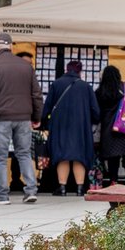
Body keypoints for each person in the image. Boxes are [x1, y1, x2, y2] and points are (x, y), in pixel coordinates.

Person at [0, 32, 43, 204]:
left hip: (1, 117)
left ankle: (1, 194)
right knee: (24, 153)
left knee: (0, 156)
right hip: (23, 117)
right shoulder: (26, 66)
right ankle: (31, 190)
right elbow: (36, 94)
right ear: (10, 46)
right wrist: (36, 116)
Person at [41, 60, 100, 196]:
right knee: (79, 156)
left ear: (66, 69)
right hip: (81, 127)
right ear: (80, 71)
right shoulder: (86, 86)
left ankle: (62, 188)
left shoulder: (56, 84)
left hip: (59, 126)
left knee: (62, 155)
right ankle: (80, 188)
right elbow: (96, 111)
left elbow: (47, 107)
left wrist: (43, 121)